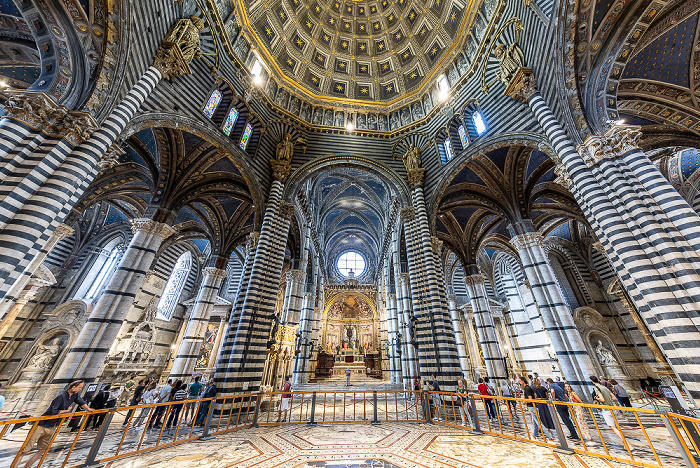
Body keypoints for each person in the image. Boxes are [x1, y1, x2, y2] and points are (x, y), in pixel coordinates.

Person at [19, 381, 94, 468]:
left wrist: (88, 409)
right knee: (25, 450)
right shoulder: (61, 396)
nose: (80, 389)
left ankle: (26, 467)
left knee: (42, 450)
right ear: (73, 387)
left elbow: (81, 402)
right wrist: (66, 411)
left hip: (52, 426)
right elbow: (53, 411)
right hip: (42, 425)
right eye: (79, 387)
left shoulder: (75, 395)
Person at [590, 376, 624, 440]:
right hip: (612, 408)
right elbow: (614, 398)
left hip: (606, 410)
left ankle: (626, 443)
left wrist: (596, 398)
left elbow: (602, 399)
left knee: (613, 427)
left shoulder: (596, 388)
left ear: (592, 381)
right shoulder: (604, 387)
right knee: (617, 426)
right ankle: (625, 443)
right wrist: (608, 398)